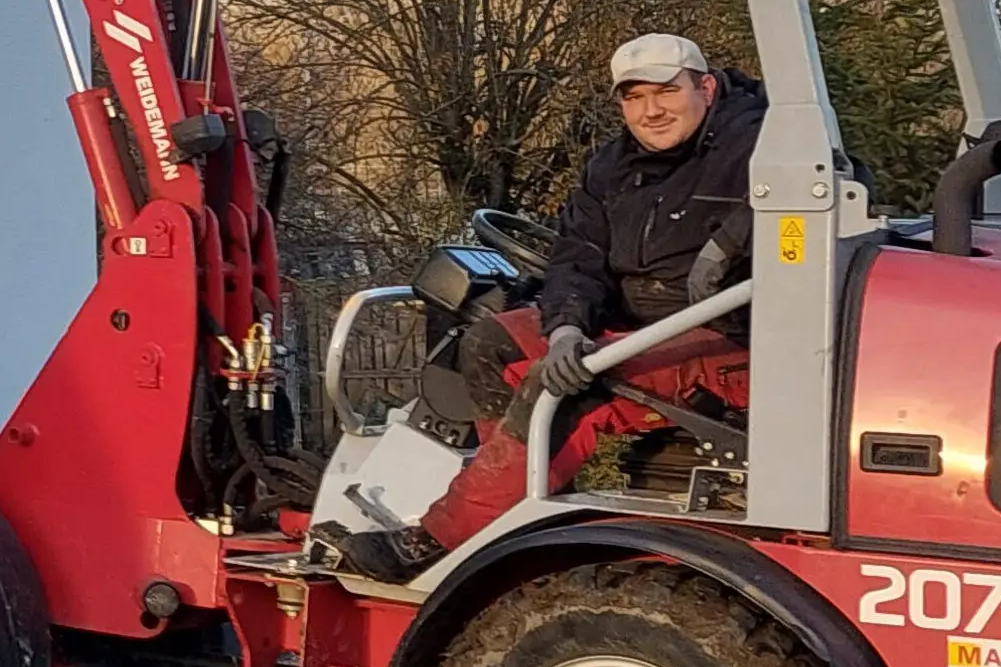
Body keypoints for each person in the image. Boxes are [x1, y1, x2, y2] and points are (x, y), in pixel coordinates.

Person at [322, 34, 764, 581]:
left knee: (565, 389)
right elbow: (577, 260)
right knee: (487, 342)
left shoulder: (760, 139)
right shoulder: (612, 167)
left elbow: (838, 178)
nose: (650, 111)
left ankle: (438, 538)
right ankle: (513, 509)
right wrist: (566, 329)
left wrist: (732, 242)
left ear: (706, 86)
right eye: (633, 97)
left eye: (665, 92)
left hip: (724, 335)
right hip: (636, 327)